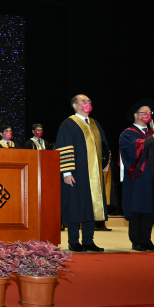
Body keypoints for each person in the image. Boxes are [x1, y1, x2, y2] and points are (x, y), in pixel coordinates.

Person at [55, 94, 110, 252]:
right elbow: (64, 147)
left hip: (93, 174)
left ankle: (88, 240)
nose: (88, 103)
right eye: (84, 101)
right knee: (75, 205)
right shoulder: (69, 123)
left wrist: (105, 163)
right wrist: (66, 172)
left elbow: (104, 145)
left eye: (89, 101)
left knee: (91, 207)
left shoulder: (94, 123)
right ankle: (73, 241)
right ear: (75, 105)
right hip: (76, 172)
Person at [120, 99, 154, 251]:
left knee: (150, 208)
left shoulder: (152, 132)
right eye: (145, 112)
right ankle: (137, 241)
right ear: (136, 115)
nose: (148, 115)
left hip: (153, 175)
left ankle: (146, 239)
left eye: (150, 112)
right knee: (137, 208)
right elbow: (136, 147)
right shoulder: (127, 133)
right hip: (137, 177)